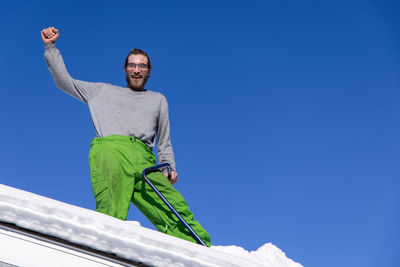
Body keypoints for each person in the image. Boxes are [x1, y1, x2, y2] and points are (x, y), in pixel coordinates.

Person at [41, 26, 211, 246]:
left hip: (145, 160)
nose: (137, 70)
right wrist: (51, 47)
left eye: (142, 66)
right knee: (110, 210)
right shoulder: (102, 91)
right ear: (125, 69)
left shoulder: (158, 100)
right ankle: (103, 253)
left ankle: (199, 250)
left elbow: (164, 139)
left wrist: (168, 165)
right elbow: (66, 82)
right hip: (111, 150)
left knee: (173, 207)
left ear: (149, 70)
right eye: (132, 65)